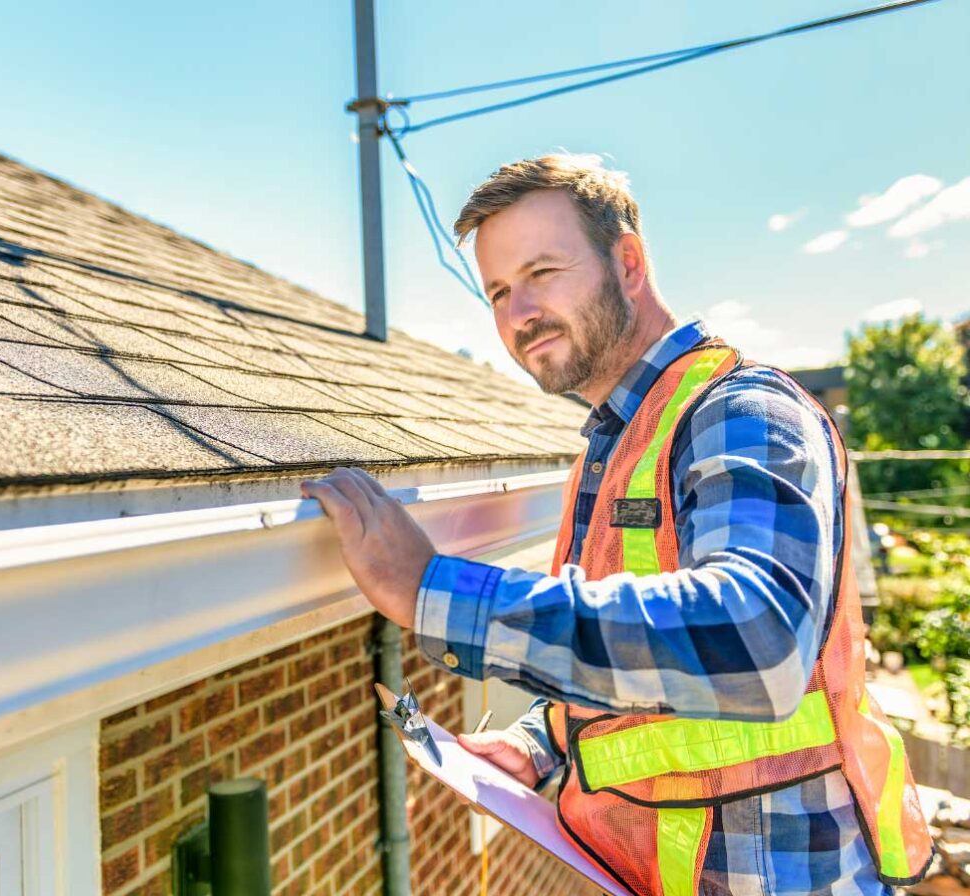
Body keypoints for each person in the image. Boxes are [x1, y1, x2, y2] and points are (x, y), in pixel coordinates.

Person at [300, 154, 931, 896]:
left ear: (627, 262)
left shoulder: (739, 410)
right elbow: (641, 654)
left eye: (542, 272)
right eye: (499, 290)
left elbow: (758, 641)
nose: (517, 312)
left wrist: (435, 592)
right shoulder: (617, 444)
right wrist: (542, 740)